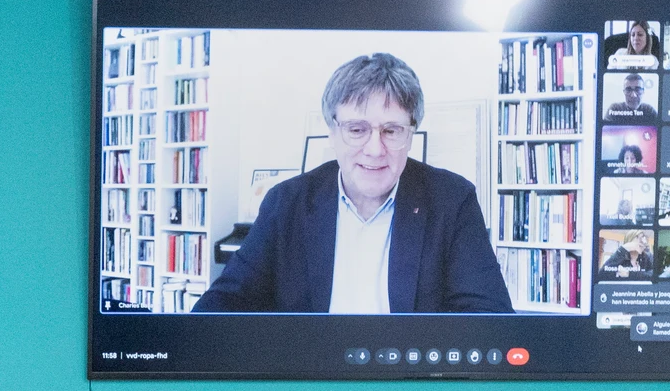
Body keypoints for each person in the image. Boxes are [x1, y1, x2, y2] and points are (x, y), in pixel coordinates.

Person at [192, 53, 511, 314]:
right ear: (331, 131)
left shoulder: (452, 200)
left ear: (411, 134)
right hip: (311, 381)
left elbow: (489, 320)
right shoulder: (285, 202)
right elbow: (222, 307)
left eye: (392, 130)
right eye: (357, 130)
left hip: (409, 381)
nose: (374, 149)